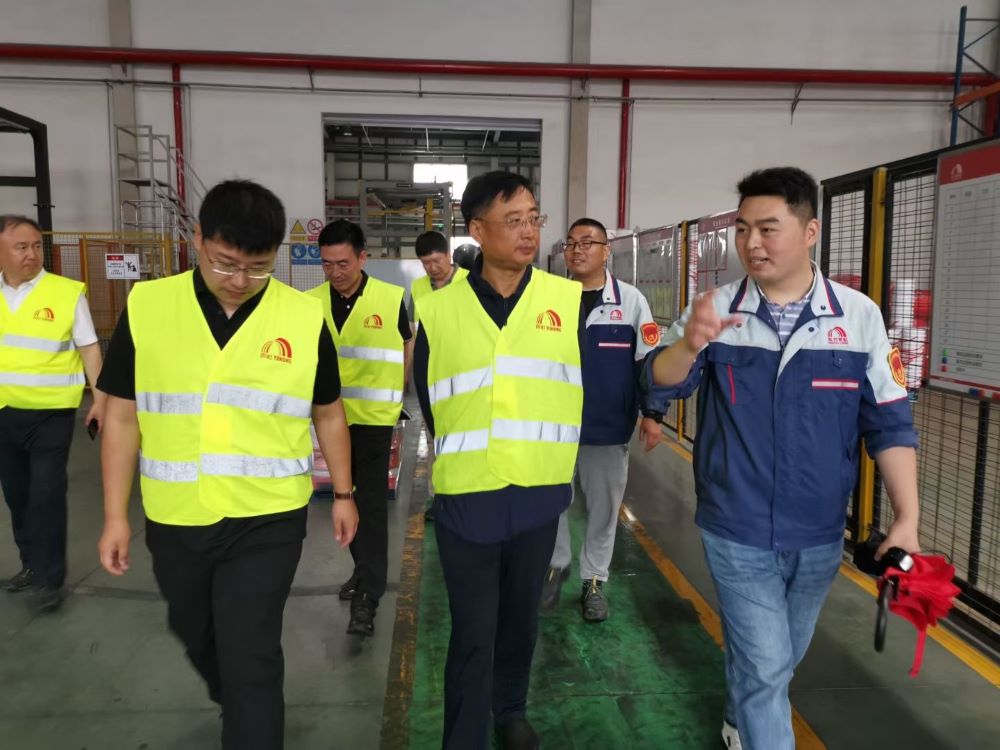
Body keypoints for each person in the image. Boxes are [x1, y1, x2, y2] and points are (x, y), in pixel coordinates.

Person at [645, 167, 921, 750]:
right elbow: (658, 382)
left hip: (818, 532)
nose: (751, 243)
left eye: (767, 229)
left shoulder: (858, 317)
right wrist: (690, 343)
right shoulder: (716, 311)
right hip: (736, 524)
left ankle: (737, 716)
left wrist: (908, 518)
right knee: (768, 666)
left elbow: (890, 421)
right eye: (743, 229)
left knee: (777, 658)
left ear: (810, 231)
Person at [96, 180, 358, 750]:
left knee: (251, 651)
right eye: (226, 263)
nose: (240, 280)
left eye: (258, 268)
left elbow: (329, 412)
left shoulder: (302, 317)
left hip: (268, 519)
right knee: (194, 633)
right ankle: (235, 700)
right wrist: (115, 516)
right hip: (176, 516)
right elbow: (121, 417)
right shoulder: (148, 306)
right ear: (198, 240)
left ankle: (248, 717)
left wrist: (343, 493)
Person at [414, 171, 583, 750]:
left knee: (520, 619)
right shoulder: (439, 311)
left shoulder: (564, 301)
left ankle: (510, 711)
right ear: (478, 231)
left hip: (538, 494)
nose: (528, 231)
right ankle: (464, 736)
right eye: (513, 221)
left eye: (534, 218)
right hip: (468, 497)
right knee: (473, 628)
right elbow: (430, 401)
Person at [539, 217, 664, 622]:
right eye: (571, 243)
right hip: (554, 426)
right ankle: (556, 566)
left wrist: (652, 414)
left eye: (587, 242)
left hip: (608, 427)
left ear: (606, 250)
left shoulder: (631, 302)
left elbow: (647, 365)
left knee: (604, 510)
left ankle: (594, 581)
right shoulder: (549, 299)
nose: (577, 250)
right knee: (551, 501)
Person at [307, 219, 412, 637]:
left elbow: (406, 343)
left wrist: (398, 391)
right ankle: (362, 569)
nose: (334, 272)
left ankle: (368, 596)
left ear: (362, 257)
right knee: (343, 499)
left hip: (373, 421)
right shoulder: (309, 303)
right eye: (327, 264)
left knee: (369, 506)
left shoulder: (390, 298)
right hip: (329, 421)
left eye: (343, 263)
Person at [0, 214, 106, 613]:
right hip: (4, 413)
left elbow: (89, 348)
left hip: (51, 416)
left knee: (46, 495)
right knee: (17, 495)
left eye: (36, 246)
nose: (31, 254)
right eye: (21, 247)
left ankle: (49, 579)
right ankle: (30, 565)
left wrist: (100, 399)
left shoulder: (65, 293)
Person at [409, 230, 469, 523]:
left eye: (436, 261)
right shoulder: (418, 288)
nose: (432, 268)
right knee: (435, 434)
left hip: (462, 365)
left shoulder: (470, 281)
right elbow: (414, 333)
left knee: (464, 433)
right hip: (430, 365)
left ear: (448, 255)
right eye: (425, 263)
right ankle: (440, 498)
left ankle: (466, 496)